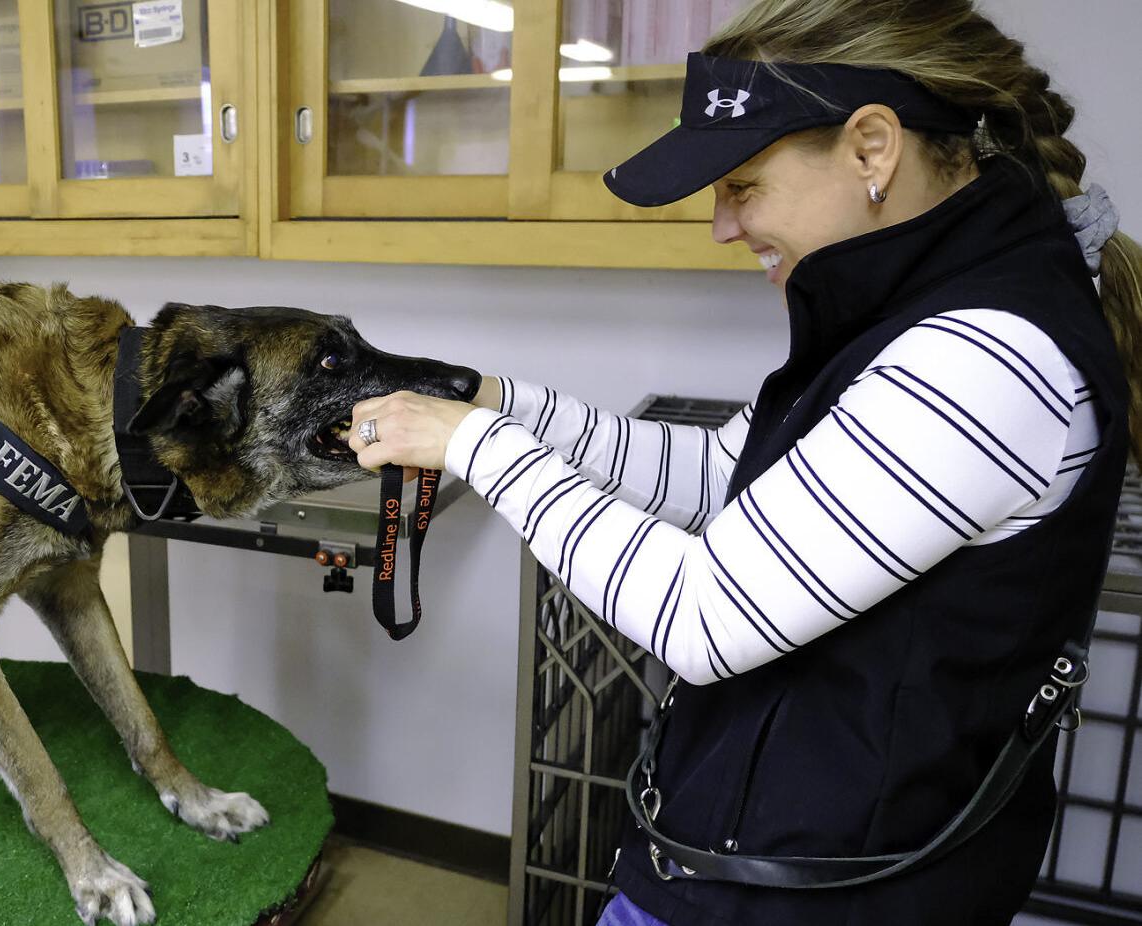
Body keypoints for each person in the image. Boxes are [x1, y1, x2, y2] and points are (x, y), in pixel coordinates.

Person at [345, 1, 1140, 924]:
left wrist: (473, 447)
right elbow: (713, 477)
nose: (722, 226)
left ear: (872, 148)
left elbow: (701, 614)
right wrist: (497, 400)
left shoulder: (986, 360)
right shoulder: (901, 318)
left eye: (743, 184)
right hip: (732, 873)